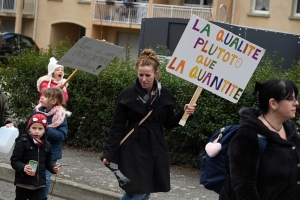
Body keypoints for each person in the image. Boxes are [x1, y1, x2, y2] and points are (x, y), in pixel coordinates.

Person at [101, 48, 196, 200]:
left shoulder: (165, 94)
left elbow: (170, 123)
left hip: (155, 147)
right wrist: (109, 152)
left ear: (156, 74)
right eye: (141, 75)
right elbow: (117, 126)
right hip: (133, 147)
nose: (143, 79)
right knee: (137, 191)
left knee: (146, 191)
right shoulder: (127, 94)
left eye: (148, 75)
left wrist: (184, 112)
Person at [219, 78, 300, 200]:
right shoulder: (248, 135)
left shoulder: (291, 129)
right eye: (290, 99)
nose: (296, 103)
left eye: (296, 98)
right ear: (273, 103)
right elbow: (244, 186)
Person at [10, 113, 60, 200]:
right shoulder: (22, 142)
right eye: (34, 128)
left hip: (39, 185)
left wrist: (53, 167)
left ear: (45, 130)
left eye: (40, 128)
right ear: (29, 128)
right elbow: (14, 160)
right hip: (23, 183)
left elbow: (48, 161)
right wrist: (23, 167)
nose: (37, 131)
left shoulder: (47, 145)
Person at [35, 87, 68, 200]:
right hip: (34, 150)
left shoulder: (60, 116)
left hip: (51, 153)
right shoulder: (38, 111)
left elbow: (62, 135)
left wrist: (46, 129)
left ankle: (43, 198)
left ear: (53, 101)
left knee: (46, 178)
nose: (41, 97)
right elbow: (28, 127)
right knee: (33, 175)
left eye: (45, 96)